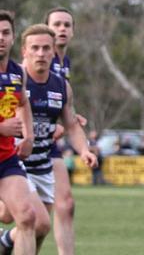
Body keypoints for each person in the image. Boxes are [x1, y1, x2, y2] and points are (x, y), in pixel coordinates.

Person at [0, 24, 97, 254]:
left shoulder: (61, 86)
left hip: (42, 164)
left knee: (39, 226)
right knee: (26, 218)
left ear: (54, 52)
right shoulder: (14, 78)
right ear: (24, 51)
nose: (41, 54)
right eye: (35, 48)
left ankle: (5, 242)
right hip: (16, 161)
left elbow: (71, 124)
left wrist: (84, 150)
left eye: (46, 49)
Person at [0, 10, 39, 255]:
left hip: (5, 159)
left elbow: (23, 103)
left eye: (5, 32)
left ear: (14, 38)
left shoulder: (17, 72)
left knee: (26, 217)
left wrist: (29, 136)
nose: (0, 37)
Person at [44, 7, 81, 255]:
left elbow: (61, 103)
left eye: (67, 25)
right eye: (57, 24)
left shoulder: (63, 63)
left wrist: (70, 118)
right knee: (12, 215)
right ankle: (8, 239)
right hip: (21, 144)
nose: (62, 29)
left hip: (49, 146)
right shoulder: (37, 61)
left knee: (66, 204)